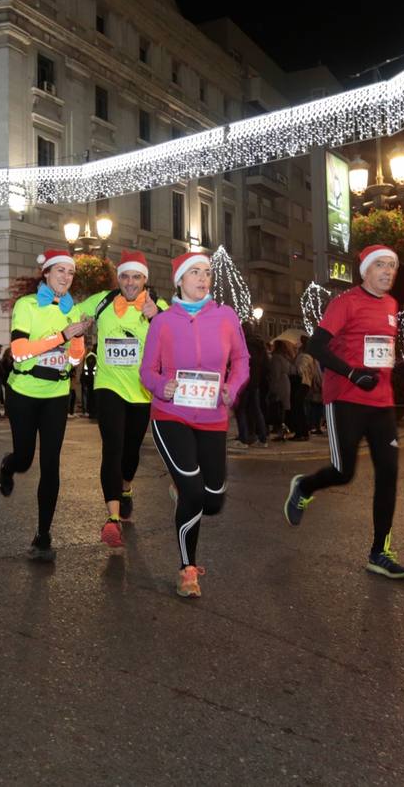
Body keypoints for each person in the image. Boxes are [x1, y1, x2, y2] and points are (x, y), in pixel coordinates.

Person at [284, 244, 404, 580]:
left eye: (392, 266)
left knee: (389, 473)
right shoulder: (345, 303)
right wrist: (353, 372)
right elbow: (316, 346)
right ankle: (304, 487)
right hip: (346, 398)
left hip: (382, 402)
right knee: (344, 471)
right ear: (365, 271)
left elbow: (380, 349)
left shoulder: (391, 304)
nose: (387, 271)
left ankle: (379, 552)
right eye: (380, 265)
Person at [140, 251, 249, 597]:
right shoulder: (162, 321)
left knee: (213, 500)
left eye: (207, 273)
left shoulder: (226, 316)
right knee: (194, 493)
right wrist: (162, 386)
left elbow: (242, 359)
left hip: (213, 416)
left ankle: (185, 491)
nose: (204, 279)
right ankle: (187, 570)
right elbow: (147, 371)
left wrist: (232, 388)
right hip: (171, 415)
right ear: (180, 280)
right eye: (196, 273)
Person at [0, 249, 88, 562]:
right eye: (60, 271)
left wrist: (76, 341)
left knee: (51, 463)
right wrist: (61, 335)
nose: (66, 277)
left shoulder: (72, 310)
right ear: (46, 274)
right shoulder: (26, 305)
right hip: (23, 392)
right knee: (25, 459)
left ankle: (44, 533)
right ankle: (9, 466)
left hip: (56, 394)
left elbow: (75, 359)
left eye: (70, 272)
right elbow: (20, 351)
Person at [78, 250, 166, 547]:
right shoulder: (101, 301)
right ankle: (112, 518)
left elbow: (178, 335)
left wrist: (160, 318)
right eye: (125, 276)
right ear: (119, 278)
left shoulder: (157, 306)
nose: (130, 282)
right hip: (109, 385)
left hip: (141, 390)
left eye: (136, 277)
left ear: (145, 280)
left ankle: (126, 487)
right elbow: (70, 313)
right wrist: (76, 322)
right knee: (112, 445)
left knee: (131, 450)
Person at [234, 322, 269, 448]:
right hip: (256, 382)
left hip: (245, 381)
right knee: (256, 409)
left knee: (240, 410)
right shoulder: (260, 346)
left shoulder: (244, 345)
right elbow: (266, 365)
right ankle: (263, 438)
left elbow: (241, 364)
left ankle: (244, 439)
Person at [266, 339, 293, 440]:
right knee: (282, 408)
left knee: (278, 407)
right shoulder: (285, 358)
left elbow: (275, 374)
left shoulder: (276, 358)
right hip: (285, 383)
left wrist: (272, 388)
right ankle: (281, 430)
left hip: (279, 384)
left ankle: (280, 431)